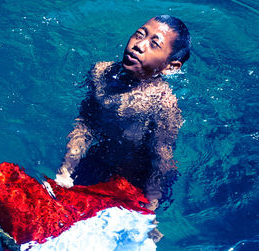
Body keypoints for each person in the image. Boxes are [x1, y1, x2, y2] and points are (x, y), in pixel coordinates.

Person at [55, 15, 191, 212]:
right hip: (99, 162)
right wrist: (66, 171)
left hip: (136, 180)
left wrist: (150, 208)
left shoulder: (163, 104)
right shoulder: (100, 73)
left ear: (171, 67)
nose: (139, 45)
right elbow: (85, 125)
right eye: (139, 35)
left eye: (154, 44)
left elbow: (161, 158)